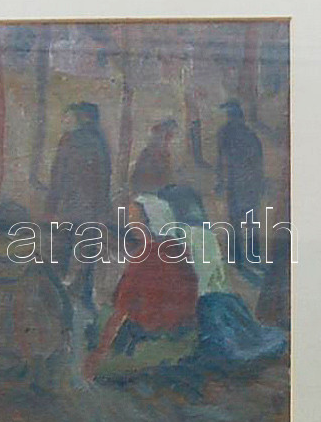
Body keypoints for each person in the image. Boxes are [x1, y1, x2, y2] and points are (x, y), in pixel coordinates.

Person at [157, 184, 287, 368]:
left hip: (207, 306)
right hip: (222, 301)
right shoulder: (203, 234)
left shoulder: (182, 237)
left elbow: (198, 281)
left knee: (229, 349)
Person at [83, 194, 198, 380]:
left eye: (135, 219)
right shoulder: (177, 249)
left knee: (100, 323)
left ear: (149, 222)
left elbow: (121, 311)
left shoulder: (146, 255)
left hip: (150, 336)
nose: (130, 224)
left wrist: (98, 355)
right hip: (179, 333)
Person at [45, 102, 112, 306]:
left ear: (81, 118)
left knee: (63, 251)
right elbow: (104, 179)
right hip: (88, 209)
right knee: (85, 253)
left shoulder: (69, 141)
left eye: (69, 117)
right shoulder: (99, 142)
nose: (65, 121)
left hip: (71, 206)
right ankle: (80, 295)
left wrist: (51, 205)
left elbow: (58, 176)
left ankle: (58, 293)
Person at [216, 100, 264, 279]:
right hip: (245, 184)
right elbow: (257, 162)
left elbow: (222, 160)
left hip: (238, 184)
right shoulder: (249, 135)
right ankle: (249, 256)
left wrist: (221, 181)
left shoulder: (226, 133)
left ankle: (239, 258)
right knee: (247, 221)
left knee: (239, 222)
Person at [130, 118, 177, 194]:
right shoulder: (154, 152)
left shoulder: (162, 151)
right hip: (149, 188)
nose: (171, 138)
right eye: (170, 135)